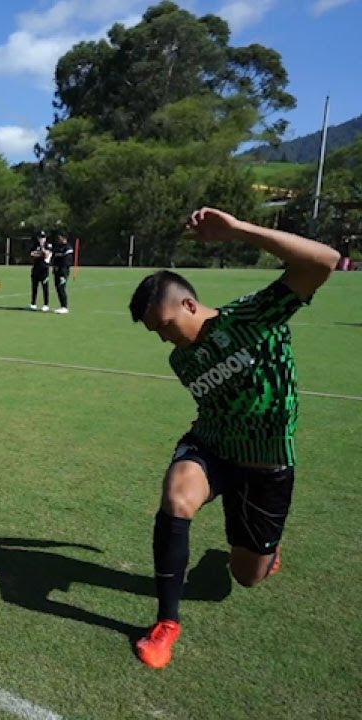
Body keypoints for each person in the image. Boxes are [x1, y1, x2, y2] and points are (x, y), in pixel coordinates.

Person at [127, 207, 340, 669]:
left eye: (164, 325)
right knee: (176, 499)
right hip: (212, 446)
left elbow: (324, 260)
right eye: (155, 333)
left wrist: (240, 231)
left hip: (266, 464)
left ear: (188, 304)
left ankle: (264, 553)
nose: (164, 339)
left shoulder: (253, 315)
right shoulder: (182, 361)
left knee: (246, 576)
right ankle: (167, 623)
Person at [51, 234, 74, 314]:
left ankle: (64, 307)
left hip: (63, 272)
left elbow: (67, 261)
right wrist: (54, 267)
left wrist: (62, 271)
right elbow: (54, 258)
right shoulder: (57, 247)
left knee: (61, 288)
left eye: (60, 237)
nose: (58, 239)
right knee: (58, 288)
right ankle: (62, 306)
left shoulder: (68, 248)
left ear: (64, 238)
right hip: (56, 271)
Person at [29, 234, 52, 311]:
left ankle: (46, 304)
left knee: (45, 287)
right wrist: (39, 254)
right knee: (34, 287)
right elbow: (32, 254)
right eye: (40, 238)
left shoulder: (48, 245)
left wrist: (42, 249)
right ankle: (33, 303)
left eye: (43, 238)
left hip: (44, 269)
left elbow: (46, 254)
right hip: (35, 268)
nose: (41, 239)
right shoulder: (35, 245)